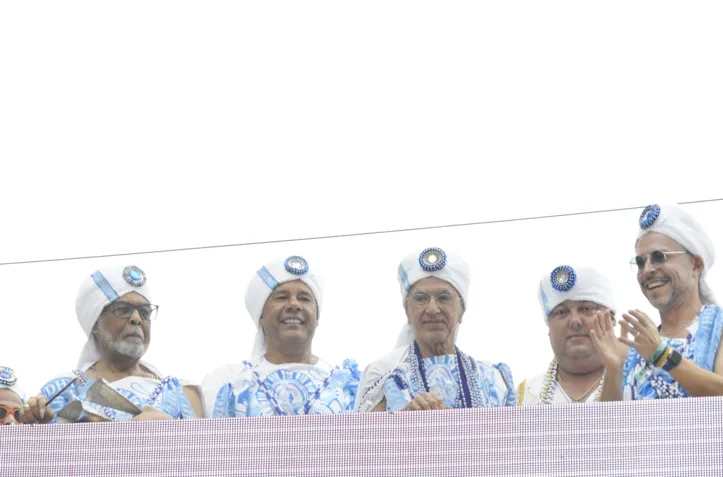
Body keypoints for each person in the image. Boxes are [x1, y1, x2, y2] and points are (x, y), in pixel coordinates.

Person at [21, 265, 203, 424]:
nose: (136, 319)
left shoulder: (181, 392)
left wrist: (167, 427)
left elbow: (202, 457)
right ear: (95, 325)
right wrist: (37, 426)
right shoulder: (63, 390)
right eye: (123, 310)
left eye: (145, 312)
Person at [355, 247, 515, 412]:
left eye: (444, 298)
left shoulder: (493, 379)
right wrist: (404, 421)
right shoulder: (384, 374)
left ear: (461, 311)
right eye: (420, 299)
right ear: (407, 312)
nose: (432, 309)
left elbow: (514, 436)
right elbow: (365, 435)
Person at [591, 204, 723, 400]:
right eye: (640, 262)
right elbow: (608, 427)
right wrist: (614, 368)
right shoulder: (636, 348)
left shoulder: (717, 327)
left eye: (659, 257)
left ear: (696, 265)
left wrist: (662, 355)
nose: (648, 270)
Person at [203, 255, 360, 417]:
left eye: (304, 298)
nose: (294, 305)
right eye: (281, 297)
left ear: (317, 317)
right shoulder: (227, 382)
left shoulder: (347, 387)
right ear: (261, 316)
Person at [518, 265, 616, 405]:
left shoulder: (640, 384)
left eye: (586, 308)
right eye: (562, 312)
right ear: (549, 327)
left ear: (611, 318)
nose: (575, 321)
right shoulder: (525, 396)